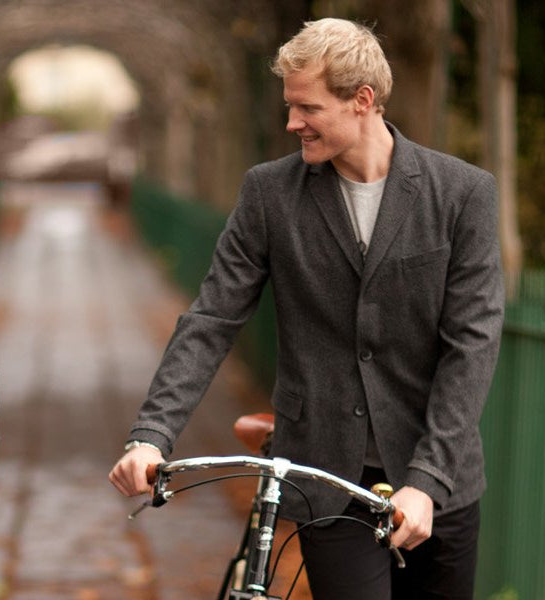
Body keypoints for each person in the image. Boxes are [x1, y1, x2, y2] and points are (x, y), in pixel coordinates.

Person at [107, 18, 503, 599]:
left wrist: (428, 479)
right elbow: (212, 318)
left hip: (437, 475)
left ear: (362, 100)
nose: (292, 123)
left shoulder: (462, 192)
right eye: (290, 106)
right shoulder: (269, 193)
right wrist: (151, 435)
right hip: (327, 473)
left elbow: (473, 342)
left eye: (307, 108)